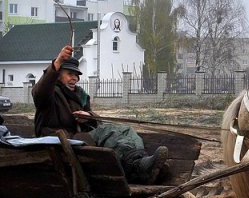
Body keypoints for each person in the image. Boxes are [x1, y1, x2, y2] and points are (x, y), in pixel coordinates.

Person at [32, 45, 168, 184]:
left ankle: (141, 163)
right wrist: (58, 61)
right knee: (108, 132)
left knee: (126, 130)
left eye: (76, 75)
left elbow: (95, 122)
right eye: (69, 74)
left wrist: (88, 116)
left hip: (80, 138)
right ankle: (138, 168)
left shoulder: (80, 95)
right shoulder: (49, 94)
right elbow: (39, 91)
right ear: (58, 74)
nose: (74, 79)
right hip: (58, 141)